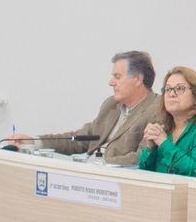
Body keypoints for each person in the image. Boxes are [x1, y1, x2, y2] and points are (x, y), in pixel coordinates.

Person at [13, 51, 158, 165]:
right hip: (90, 173)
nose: (111, 82)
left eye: (117, 77)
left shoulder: (157, 108)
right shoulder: (111, 105)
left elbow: (141, 157)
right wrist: (34, 142)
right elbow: (80, 138)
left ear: (138, 79)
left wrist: (99, 163)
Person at [136, 66, 196, 177]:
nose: (171, 94)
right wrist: (150, 148)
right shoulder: (163, 125)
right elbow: (144, 174)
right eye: (167, 89)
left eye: (179, 88)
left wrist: (164, 144)